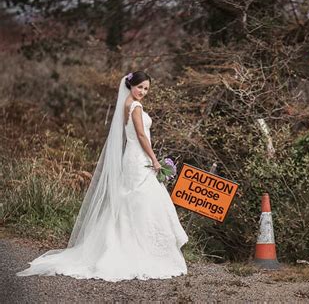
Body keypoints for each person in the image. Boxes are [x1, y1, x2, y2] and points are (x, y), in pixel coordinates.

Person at [17, 71, 188, 282]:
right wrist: (154, 159)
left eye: (146, 89)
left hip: (132, 157)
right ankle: (138, 249)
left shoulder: (127, 104)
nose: (142, 92)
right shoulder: (135, 106)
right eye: (140, 87)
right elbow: (141, 135)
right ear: (131, 85)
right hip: (139, 158)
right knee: (141, 199)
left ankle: (128, 243)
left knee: (132, 200)